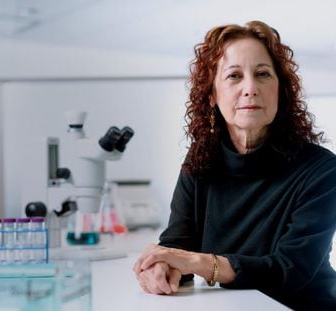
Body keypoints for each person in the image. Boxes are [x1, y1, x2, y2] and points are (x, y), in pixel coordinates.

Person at [133, 20, 336, 310]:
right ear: (213, 95)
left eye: (263, 74)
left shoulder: (322, 170)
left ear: (281, 91)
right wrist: (161, 268)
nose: (250, 88)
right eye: (234, 76)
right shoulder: (200, 163)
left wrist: (200, 263)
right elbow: (177, 244)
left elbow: (291, 269)